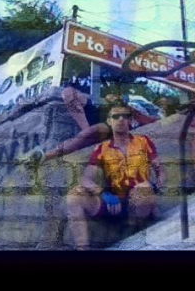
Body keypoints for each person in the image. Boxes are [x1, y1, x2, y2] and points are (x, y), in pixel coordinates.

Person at [65, 101, 166, 250]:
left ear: (130, 120)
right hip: (115, 202)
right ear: (109, 121)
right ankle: (83, 248)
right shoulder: (102, 148)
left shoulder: (143, 141)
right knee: (74, 196)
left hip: (139, 200)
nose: (120, 120)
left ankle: (133, 233)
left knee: (143, 188)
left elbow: (160, 170)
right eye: (116, 116)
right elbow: (85, 179)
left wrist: (157, 187)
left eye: (125, 116)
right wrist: (101, 192)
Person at [47, 83, 159, 159]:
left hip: (118, 124)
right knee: (68, 92)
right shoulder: (135, 97)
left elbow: (150, 121)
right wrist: (112, 100)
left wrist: (130, 110)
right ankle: (86, 132)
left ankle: (49, 156)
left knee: (95, 130)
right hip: (103, 113)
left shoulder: (153, 110)